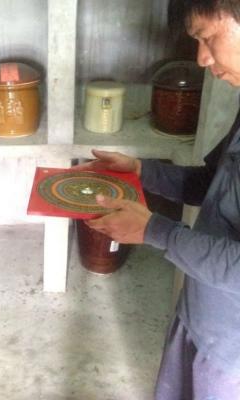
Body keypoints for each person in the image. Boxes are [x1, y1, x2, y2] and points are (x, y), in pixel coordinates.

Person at [75, 1, 240, 398]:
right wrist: (140, 170)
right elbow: (211, 185)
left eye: (207, 38)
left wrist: (155, 230)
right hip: (201, 312)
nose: (202, 58)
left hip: (231, 353)